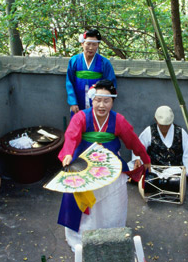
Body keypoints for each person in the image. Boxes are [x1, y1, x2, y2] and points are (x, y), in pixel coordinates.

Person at [58, 79, 151, 250]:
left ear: (112, 102)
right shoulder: (81, 117)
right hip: (84, 166)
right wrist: (68, 153)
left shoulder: (119, 120)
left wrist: (146, 159)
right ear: (92, 100)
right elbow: (71, 136)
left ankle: (111, 235)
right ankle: (82, 237)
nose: (101, 105)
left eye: (106, 101)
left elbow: (133, 141)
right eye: (98, 100)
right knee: (84, 204)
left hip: (110, 166)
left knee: (113, 203)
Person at [131, 105, 188, 181]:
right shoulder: (149, 131)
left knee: (175, 181)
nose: (164, 128)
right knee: (149, 180)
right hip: (153, 169)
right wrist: (137, 159)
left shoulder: (181, 132)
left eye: (167, 125)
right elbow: (139, 147)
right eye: (162, 125)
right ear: (155, 120)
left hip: (175, 170)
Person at [66, 29, 117, 115]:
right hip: (78, 102)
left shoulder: (104, 63)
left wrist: (104, 103)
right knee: (78, 121)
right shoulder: (74, 61)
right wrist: (73, 102)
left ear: (98, 45)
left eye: (94, 44)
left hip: (97, 103)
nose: (91, 48)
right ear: (82, 43)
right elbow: (69, 83)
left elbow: (110, 84)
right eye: (88, 44)